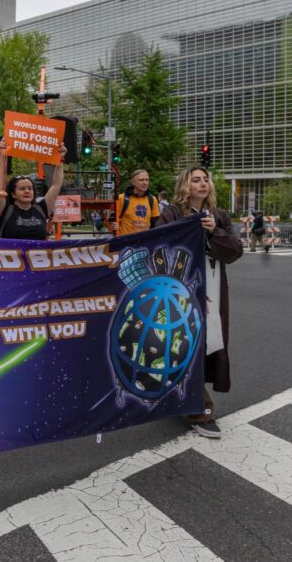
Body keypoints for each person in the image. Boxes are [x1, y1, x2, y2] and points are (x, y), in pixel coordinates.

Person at [155, 166, 243, 438]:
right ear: (185, 185)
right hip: (183, 289)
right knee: (185, 342)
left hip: (213, 289)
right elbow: (159, 246)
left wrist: (215, 231)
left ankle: (185, 398)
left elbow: (234, 251)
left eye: (205, 179)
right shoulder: (172, 214)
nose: (202, 184)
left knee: (208, 343)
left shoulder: (218, 216)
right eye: (196, 180)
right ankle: (200, 409)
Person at [0, 141, 67, 240]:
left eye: (30, 188)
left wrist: (60, 159)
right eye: (22, 189)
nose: (27, 191)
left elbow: (56, 186)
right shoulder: (5, 210)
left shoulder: (41, 209)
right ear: (13, 194)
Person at [112, 170, 160, 235]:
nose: (144, 183)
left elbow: (156, 223)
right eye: (141, 180)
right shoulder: (122, 198)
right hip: (126, 241)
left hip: (144, 242)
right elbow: (111, 219)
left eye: (147, 180)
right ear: (133, 182)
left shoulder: (152, 199)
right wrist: (113, 225)